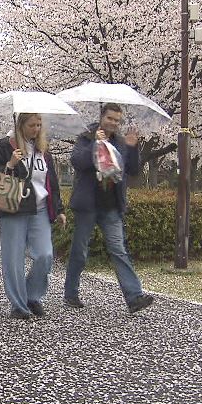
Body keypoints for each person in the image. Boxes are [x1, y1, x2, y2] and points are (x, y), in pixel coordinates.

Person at [63, 103, 155, 313]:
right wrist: (96, 144)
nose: (113, 123)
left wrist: (132, 148)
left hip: (111, 204)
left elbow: (131, 170)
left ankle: (134, 297)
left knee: (119, 250)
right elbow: (77, 161)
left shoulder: (121, 142)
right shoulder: (86, 136)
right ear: (102, 117)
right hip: (87, 204)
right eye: (110, 118)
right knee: (80, 250)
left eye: (117, 120)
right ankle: (70, 293)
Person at [0, 113, 66, 320]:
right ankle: (18, 304)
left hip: (40, 208)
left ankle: (32, 295)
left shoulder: (43, 149)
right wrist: (11, 164)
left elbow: (51, 180)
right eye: (32, 125)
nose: (36, 129)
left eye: (39, 125)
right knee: (13, 259)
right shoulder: (6, 145)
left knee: (45, 255)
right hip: (14, 207)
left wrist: (58, 209)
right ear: (21, 125)